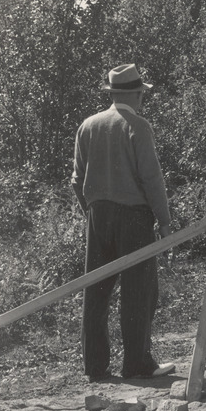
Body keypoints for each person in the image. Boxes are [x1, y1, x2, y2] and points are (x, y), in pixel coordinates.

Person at [71, 63, 176, 381]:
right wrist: (165, 222)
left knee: (96, 291)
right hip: (133, 217)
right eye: (141, 94)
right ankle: (136, 364)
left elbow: (76, 180)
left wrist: (91, 211)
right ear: (134, 94)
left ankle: (95, 367)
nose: (143, 100)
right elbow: (152, 179)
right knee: (139, 291)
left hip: (98, 214)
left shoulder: (88, 125)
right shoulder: (138, 126)